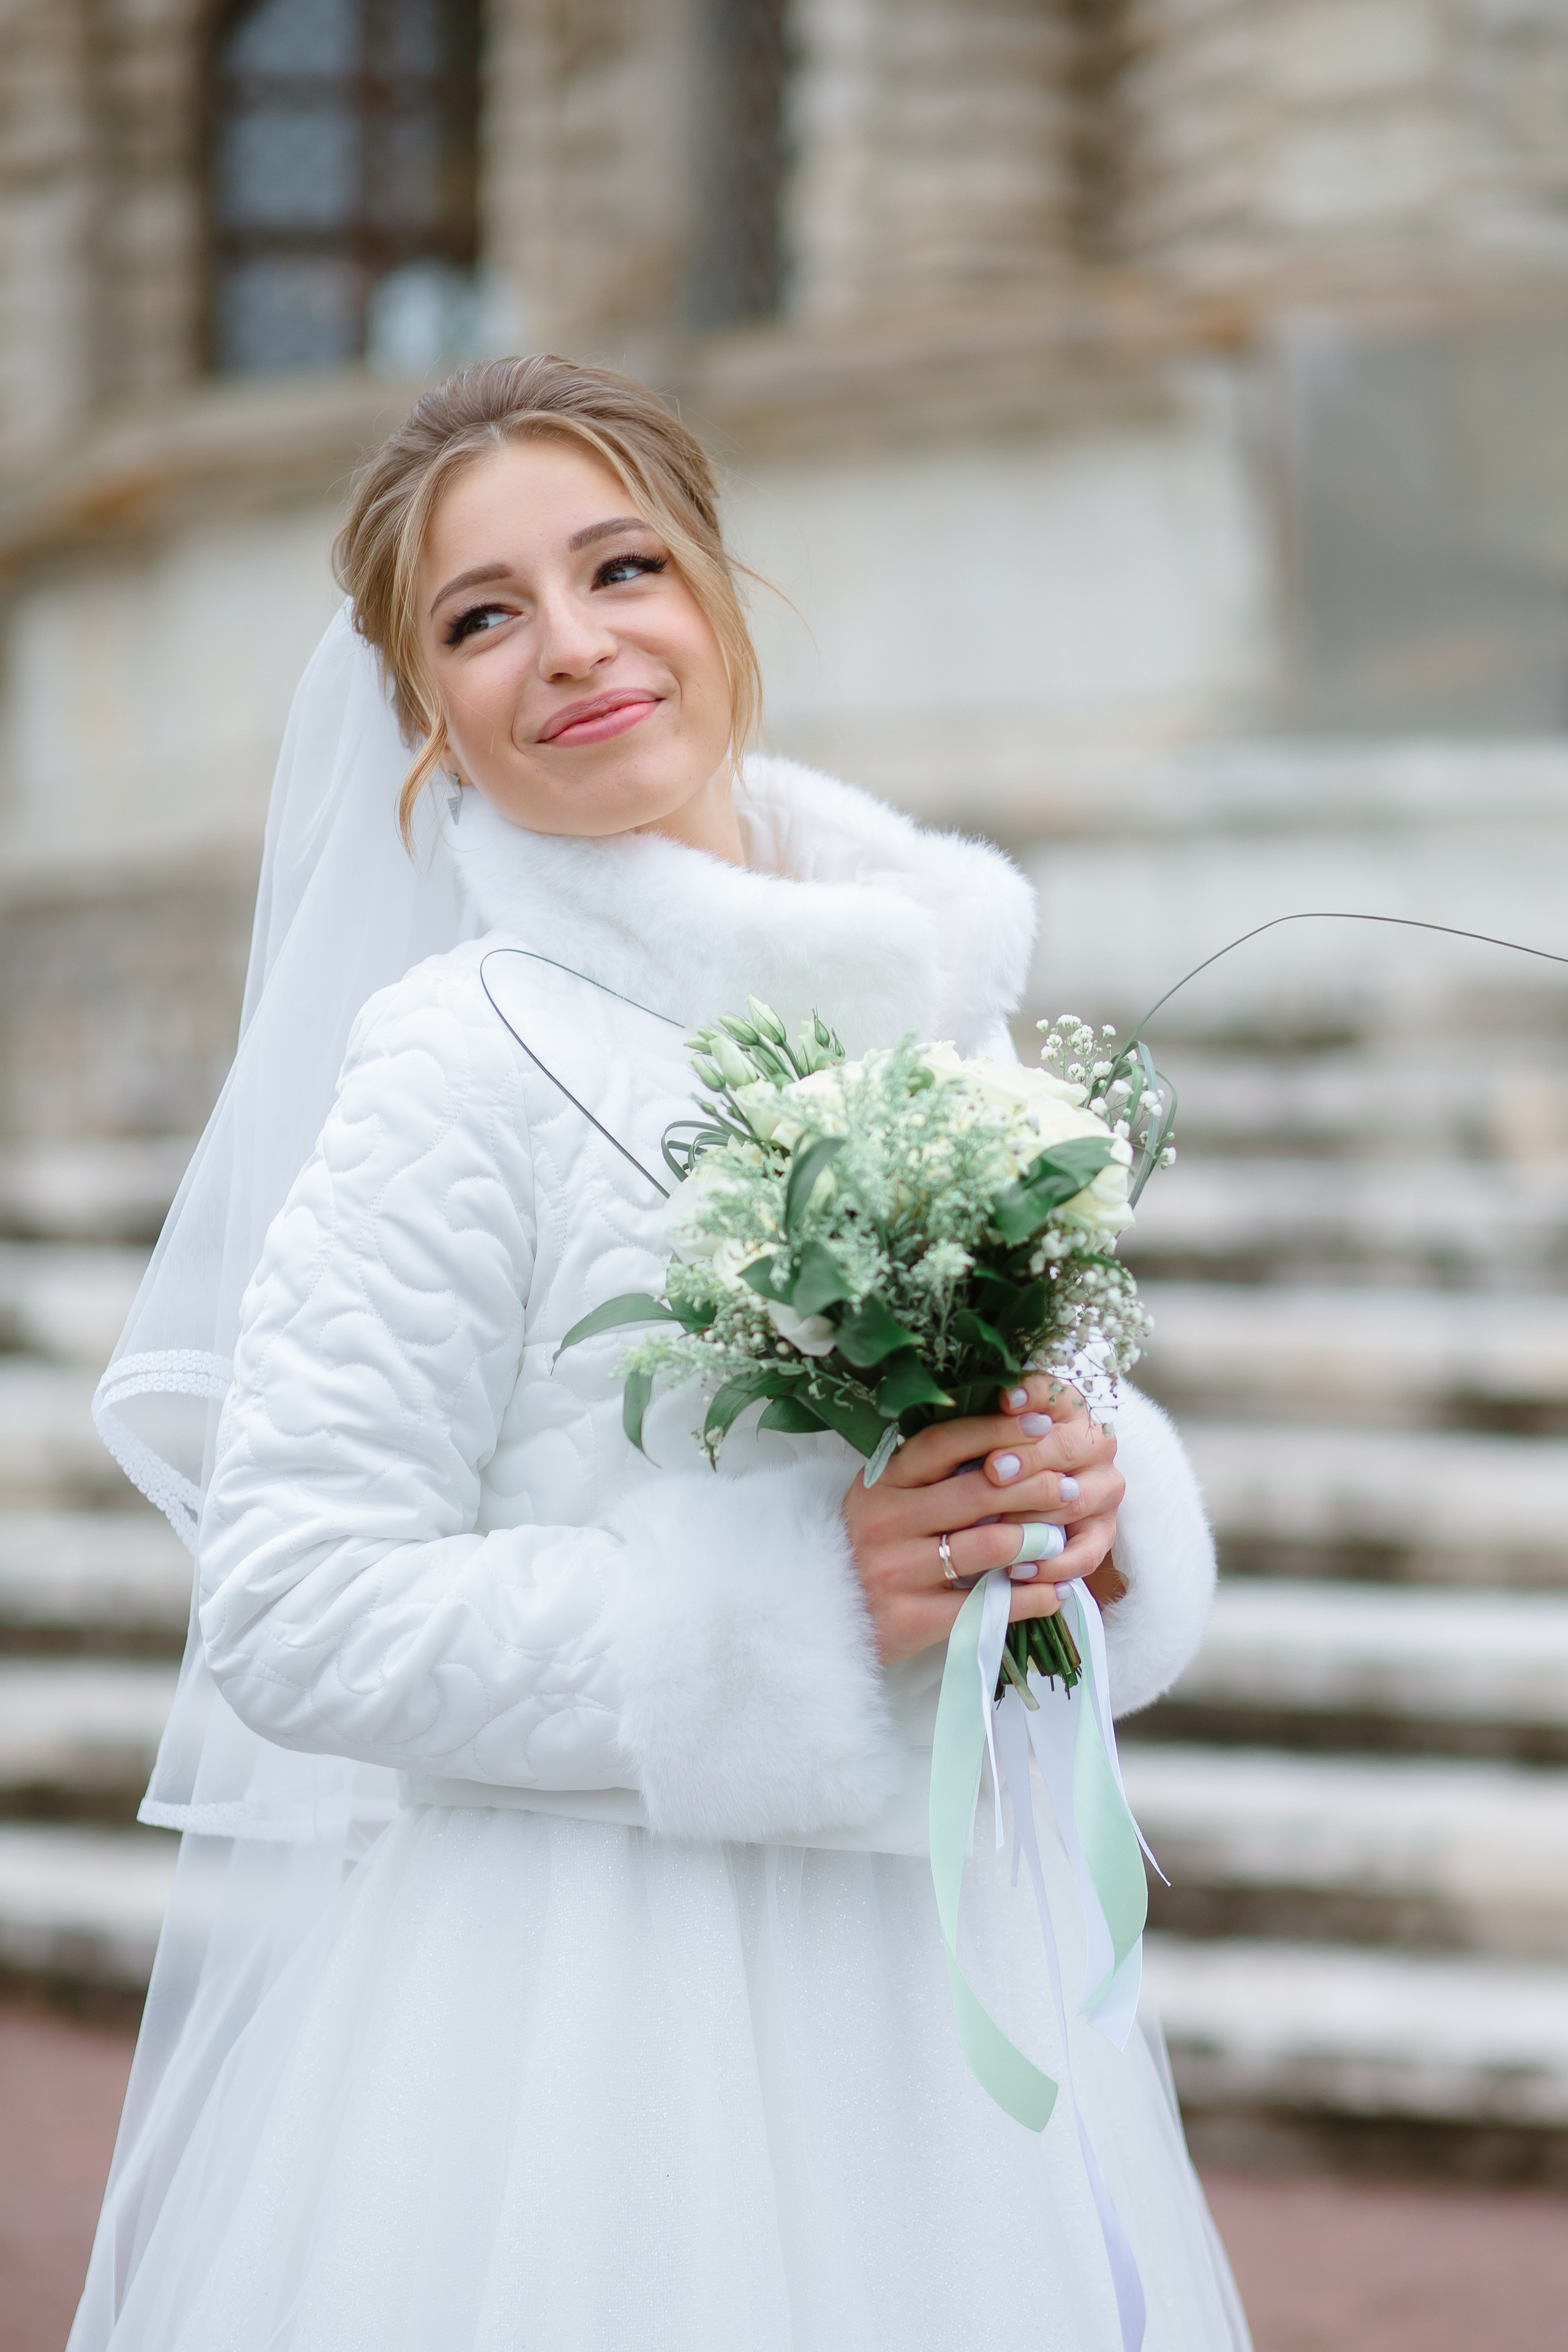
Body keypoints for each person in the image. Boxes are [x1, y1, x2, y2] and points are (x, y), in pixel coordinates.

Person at [72, 355, 1248, 2351]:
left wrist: (1091, 1513)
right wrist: (792, 1604)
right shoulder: (460, 1059)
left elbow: (1020, 1422)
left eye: (621, 566)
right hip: (591, 2029)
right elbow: (291, 1602)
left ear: (717, 595)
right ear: (426, 718)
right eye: (482, 616)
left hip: (944, 1997)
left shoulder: (932, 999)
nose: (575, 645)